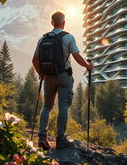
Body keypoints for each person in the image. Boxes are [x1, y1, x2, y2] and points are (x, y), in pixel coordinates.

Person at [32, 10, 93, 150]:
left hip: (48, 76)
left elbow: (35, 60)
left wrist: (41, 73)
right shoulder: (68, 37)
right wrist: (88, 66)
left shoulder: (42, 39)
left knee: (47, 106)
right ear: (64, 23)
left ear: (52, 23)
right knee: (63, 106)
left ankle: (42, 137)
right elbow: (77, 57)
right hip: (64, 76)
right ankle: (60, 139)